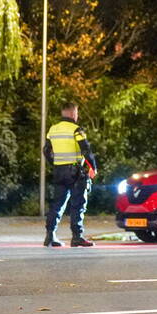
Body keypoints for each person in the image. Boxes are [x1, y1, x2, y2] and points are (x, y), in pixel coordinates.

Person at [44, 102, 97, 247]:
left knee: (57, 204)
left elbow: (46, 150)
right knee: (78, 204)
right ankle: (77, 236)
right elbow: (86, 150)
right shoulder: (76, 130)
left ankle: (50, 235)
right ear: (73, 113)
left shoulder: (53, 129)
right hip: (75, 172)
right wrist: (93, 168)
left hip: (59, 171)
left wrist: (54, 163)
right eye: (77, 113)